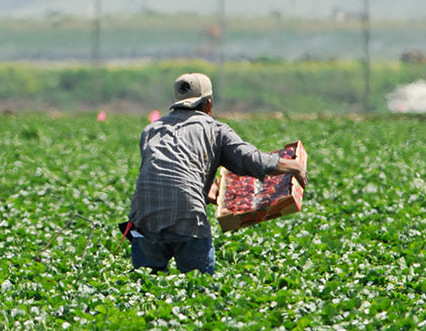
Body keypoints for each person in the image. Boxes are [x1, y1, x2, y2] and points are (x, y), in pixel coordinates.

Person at [123, 72, 308, 275]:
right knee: (199, 288)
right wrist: (294, 166)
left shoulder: (151, 130)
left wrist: (205, 188)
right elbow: (251, 160)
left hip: (144, 219)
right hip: (188, 220)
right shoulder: (215, 129)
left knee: (148, 289)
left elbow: (165, 170)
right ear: (208, 105)